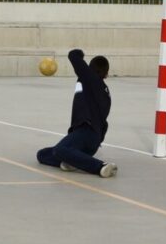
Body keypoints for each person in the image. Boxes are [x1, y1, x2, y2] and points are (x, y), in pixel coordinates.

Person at [35, 49, 118, 178]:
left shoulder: (89, 78)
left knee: (60, 150)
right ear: (106, 74)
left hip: (85, 132)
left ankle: (101, 166)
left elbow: (73, 55)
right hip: (93, 141)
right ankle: (73, 162)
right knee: (42, 154)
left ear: (90, 69)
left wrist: (81, 53)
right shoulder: (104, 92)